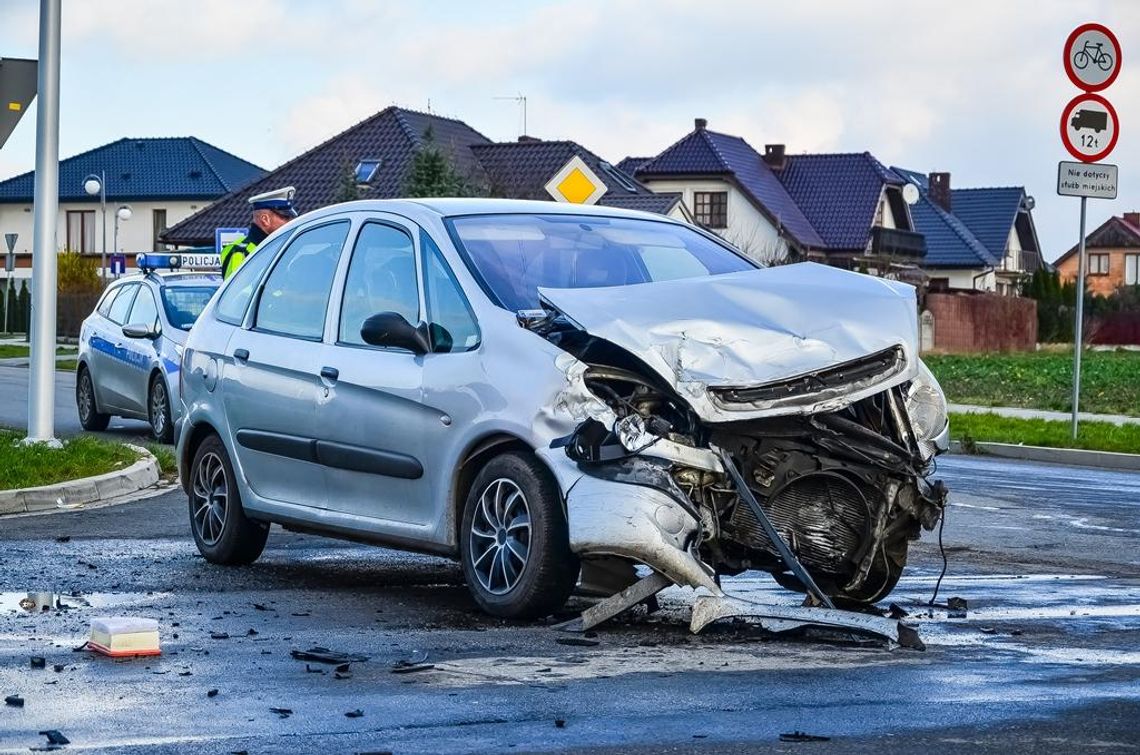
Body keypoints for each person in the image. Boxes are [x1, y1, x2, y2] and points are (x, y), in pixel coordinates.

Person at [220, 186, 298, 280]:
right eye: (285, 217)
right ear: (265, 219)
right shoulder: (241, 253)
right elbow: (239, 293)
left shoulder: (272, 247)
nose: (290, 221)